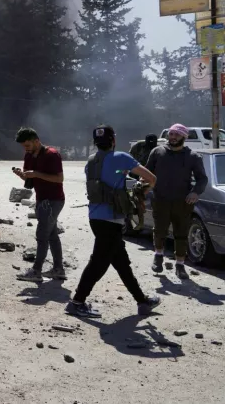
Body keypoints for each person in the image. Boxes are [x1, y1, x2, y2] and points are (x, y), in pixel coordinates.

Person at [65, 125, 161, 319]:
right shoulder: (122, 158)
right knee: (98, 263)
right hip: (112, 220)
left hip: (96, 218)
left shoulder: (90, 162)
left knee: (121, 263)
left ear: (95, 142)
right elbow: (151, 178)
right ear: (113, 140)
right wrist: (143, 190)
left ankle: (142, 302)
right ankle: (77, 302)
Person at [144, 123, 208, 280]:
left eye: (176, 135)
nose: (172, 137)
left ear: (184, 137)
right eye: (171, 134)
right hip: (161, 200)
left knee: (181, 234)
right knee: (160, 230)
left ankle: (180, 265)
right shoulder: (157, 152)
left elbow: (202, 179)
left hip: (183, 202)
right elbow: (146, 172)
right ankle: (158, 256)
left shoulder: (193, 156)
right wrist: (143, 185)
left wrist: (195, 192)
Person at [12, 128, 66, 282]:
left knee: (42, 236)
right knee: (52, 235)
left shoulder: (52, 154)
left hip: (53, 201)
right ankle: (58, 269)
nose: (26, 149)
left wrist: (36, 173)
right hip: (42, 200)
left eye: (28, 145)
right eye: (24, 146)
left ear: (36, 140)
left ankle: (36, 271)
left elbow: (59, 179)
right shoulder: (28, 155)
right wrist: (23, 175)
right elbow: (30, 181)